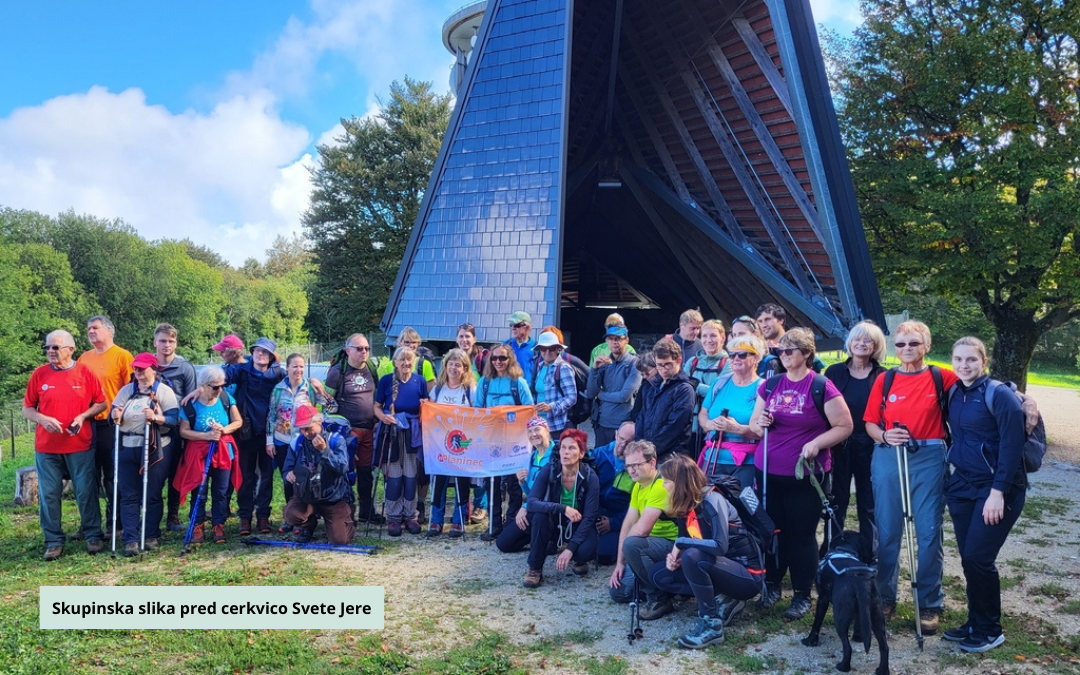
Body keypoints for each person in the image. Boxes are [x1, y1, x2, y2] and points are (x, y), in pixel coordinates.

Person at [749, 327, 853, 620]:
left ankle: (802, 593)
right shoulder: (770, 386)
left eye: (789, 351)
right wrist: (763, 422)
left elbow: (844, 426)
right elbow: (755, 425)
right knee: (771, 530)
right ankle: (771, 586)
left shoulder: (820, 386)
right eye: (780, 351)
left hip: (807, 475)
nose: (783, 356)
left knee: (801, 534)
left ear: (807, 353)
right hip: (768, 472)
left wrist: (817, 443)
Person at [862, 320, 955, 634]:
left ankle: (928, 602)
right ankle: (885, 596)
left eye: (913, 343)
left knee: (928, 530)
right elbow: (870, 423)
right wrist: (885, 436)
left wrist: (1024, 400)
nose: (906, 350)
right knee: (887, 529)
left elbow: (979, 388)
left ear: (926, 345)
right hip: (889, 454)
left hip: (928, 455)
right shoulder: (885, 380)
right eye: (900, 344)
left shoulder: (941, 376)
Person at [943, 337, 1027, 653]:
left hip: (997, 490)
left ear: (984, 361)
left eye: (971, 360)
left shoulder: (1000, 395)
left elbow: (1012, 446)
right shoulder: (953, 392)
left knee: (979, 557)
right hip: (962, 486)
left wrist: (998, 493)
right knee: (969, 559)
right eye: (959, 359)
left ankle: (991, 629)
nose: (964, 365)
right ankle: (975, 621)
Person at [649, 455, 764, 649]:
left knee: (692, 556)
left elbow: (720, 546)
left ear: (680, 483)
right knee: (658, 575)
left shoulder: (713, 499)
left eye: (666, 482)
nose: (663, 486)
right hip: (717, 566)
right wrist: (674, 559)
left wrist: (681, 545)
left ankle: (711, 625)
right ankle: (726, 599)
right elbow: (686, 540)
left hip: (747, 576)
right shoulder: (685, 503)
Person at [23, 330, 108, 560]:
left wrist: (82, 417)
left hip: (80, 445)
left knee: (85, 492)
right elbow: (27, 408)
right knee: (49, 494)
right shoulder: (39, 375)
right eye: (47, 348)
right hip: (47, 447)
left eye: (55, 347)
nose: (50, 352)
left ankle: (93, 535)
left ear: (70, 349)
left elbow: (101, 403)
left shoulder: (85, 373)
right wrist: (42, 418)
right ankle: (53, 541)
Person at [109, 352, 180, 555]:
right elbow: (112, 413)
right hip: (126, 446)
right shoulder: (126, 390)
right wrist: (114, 414)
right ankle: (131, 539)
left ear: (153, 369)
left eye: (142, 368)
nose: (138, 372)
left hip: (154, 447)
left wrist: (156, 417)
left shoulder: (164, 391)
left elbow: (174, 419)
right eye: (136, 368)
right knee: (129, 494)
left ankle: (150, 535)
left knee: (152, 493)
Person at [823, 321, 887, 542]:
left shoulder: (883, 375)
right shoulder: (834, 372)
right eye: (858, 339)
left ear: (876, 345)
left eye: (868, 340)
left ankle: (870, 552)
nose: (862, 343)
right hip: (839, 443)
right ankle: (832, 550)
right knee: (837, 499)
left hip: (872, 443)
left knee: (869, 501)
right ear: (850, 343)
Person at [512, 429, 600, 588]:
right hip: (553, 522)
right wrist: (563, 509)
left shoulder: (590, 477)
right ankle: (535, 567)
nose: (566, 452)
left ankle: (577, 558)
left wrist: (570, 550)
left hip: (577, 524)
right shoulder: (550, 469)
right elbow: (532, 502)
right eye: (563, 448)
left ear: (581, 454)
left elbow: (589, 517)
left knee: (585, 551)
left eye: (572, 448)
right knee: (539, 516)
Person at [608, 440, 679, 620]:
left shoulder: (660, 486)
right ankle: (664, 586)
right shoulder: (639, 485)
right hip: (650, 547)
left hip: (672, 546)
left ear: (652, 463)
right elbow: (628, 523)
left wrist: (627, 552)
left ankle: (659, 599)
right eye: (628, 465)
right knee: (619, 593)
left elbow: (641, 531)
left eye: (637, 465)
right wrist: (620, 563)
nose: (631, 470)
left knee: (632, 544)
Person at [76, 315, 133, 537]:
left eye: (95, 328)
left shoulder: (122, 356)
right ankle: (89, 523)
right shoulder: (84, 358)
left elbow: (131, 389)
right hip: (88, 422)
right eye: (88, 328)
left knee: (111, 474)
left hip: (112, 423)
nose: (91, 331)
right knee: (87, 474)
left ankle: (115, 522)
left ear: (109, 330)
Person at [474, 343, 535, 540]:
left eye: (502, 358)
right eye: (494, 358)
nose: (498, 362)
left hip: (514, 442)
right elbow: (477, 410)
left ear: (510, 360)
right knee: (492, 482)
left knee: (513, 484)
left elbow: (529, 410)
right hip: (491, 441)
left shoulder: (518, 382)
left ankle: (511, 525)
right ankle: (494, 524)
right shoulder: (484, 382)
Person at [176, 366, 243, 545]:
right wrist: (206, 436)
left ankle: (218, 524)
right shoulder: (191, 404)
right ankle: (197, 525)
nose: (219, 389)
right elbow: (184, 431)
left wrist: (223, 430)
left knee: (221, 491)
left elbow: (238, 421)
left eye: (222, 385)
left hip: (222, 451)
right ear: (203, 386)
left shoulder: (225, 398)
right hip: (199, 453)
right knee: (200, 491)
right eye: (215, 387)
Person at [323, 333, 385, 525]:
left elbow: (376, 398)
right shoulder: (337, 372)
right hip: (347, 433)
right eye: (359, 349)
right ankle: (347, 513)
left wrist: (377, 421)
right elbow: (326, 404)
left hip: (369, 430)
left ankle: (368, 512)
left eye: (366, 348)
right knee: (346, 474)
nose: (364, 352)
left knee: (366, 473)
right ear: (347, 350)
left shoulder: (371, 368)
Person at [697, 335, 766, 490]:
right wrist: (709, 424)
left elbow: (765, 432)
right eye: (732, 355)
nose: (735, 359)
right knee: (709, 509)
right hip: (713, 459)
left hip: (746, 463)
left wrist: (736, 429)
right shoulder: (719, 383)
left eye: (742, 355)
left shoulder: (763, 388)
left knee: (741, 511)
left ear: (756, 358)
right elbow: (703, 414)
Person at [374, 347, 429, 536]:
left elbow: (425, 406)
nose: (406, 363)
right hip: (392, 433)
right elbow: (376, 407)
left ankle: (410, 515)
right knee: (395, 476)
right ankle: (394, 516)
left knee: (411, 476)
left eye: (409, 360)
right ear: (395, 362)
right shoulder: (386, 381)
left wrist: (424, 406)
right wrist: (383, 418)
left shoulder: (419, 381)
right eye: (402, 360)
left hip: (412, 434)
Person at [283, 405, 356, 544]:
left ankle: (348, 515)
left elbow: (343, 468)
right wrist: (288, 474)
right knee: (291, 515)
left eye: (309, 428)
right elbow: (287, 468)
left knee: (340, 540)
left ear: (319, 422)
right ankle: (309, 526)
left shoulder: (336, 440)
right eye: (302, 429)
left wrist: (325, 451)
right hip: (306, 496)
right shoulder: (296, 442)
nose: (305, 433)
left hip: (333, 497)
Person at [428, 349, 478, 537]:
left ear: (465, 368)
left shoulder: (470, 388)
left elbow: (477, 413)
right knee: (439, 482)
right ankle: (436, 520)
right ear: (445, 365)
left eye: (458, 364)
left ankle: (459, 520)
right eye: (451, 363)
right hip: (440, 444)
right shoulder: (439, 388)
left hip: (462, 444)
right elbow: (429, 411)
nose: (454, 367)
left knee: (461, 481)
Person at [153, 323, 197, 533]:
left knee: (175, 473)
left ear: (176, 343)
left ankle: (173, 516)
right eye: (162, 341)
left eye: (171, 341)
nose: (166, 345)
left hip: (177, 428)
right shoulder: (147, 365)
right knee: (154, 473)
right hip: (152, 427)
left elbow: (191, 400)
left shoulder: (184, 367)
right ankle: (152, 517)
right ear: (155, 342)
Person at [266, 354, 321, 514]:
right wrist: (269, 441)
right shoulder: (278, 389)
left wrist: (322, 390)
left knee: (305, 475)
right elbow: (271, 415)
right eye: (295, 366)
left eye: (302, 366)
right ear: (287, 368)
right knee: (288, 478)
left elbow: (331, 406)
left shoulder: (309, 388)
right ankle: (291, 513)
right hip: (282, 440)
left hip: (303, 440)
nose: (299, 370)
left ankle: (309, 512)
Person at [495, 416, 556, 551]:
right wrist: (522, 482)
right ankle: (537, 538)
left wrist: (525, 507)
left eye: (537, 429)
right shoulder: (531, 458)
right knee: (504, 544)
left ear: (547, 430)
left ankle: (552, 537)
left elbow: (551, 491)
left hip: (552, 510)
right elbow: (531, 492)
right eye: (529, 431)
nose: (533, 434)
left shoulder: (557, 454)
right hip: (534, 508)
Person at [633, 338, 695, 463]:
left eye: (668, 364)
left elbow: (674, 427)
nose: (663, 369)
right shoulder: (651, 386)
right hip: (649, 454)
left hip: (672, 457)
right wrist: (640, 446)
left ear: (678, 361)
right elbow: (641, 418)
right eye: (659, 365)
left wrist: (650, 451)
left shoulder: (684, 389)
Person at [586, 325, 641, 447]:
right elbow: (590, 393)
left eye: (618, 338)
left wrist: (601, 395)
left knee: (622, 464)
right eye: (610, 339)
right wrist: (594, 369)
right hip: (601, 424)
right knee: (601, 463)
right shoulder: (604, 364)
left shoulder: (634, 364)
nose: (614, 342)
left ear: (626, 340)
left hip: (623, 426)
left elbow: (623, 396)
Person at [592, 420, 636, 564]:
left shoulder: (637, 467)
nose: (623, 445)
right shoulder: (598, 454)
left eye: (628, 442)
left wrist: (613, 523)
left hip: (618, 517)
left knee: (603, 557)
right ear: (616, 434)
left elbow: (636, 505)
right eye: (621, 439)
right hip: (596, 512)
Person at [684, 319, 729, 438]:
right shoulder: (692, 362)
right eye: (704, 336)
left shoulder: (728, 364)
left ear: (722, 338)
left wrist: (693, 385)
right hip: (689, 428)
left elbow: (720, 392)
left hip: (713, 429)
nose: (709, 340)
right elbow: (682, 388)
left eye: (713, 335)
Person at [754, 304, 825, 374]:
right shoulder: (758, 349)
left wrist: (783, 350)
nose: (764, 325)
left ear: (781, 320)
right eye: (760, 321)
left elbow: (815, 364)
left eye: (767, 319)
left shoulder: (797, 341)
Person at [530, 332, 577, 435]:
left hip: (555, 426)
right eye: (543, 348)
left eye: (551, 348)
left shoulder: (564, 367)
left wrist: (551, 407)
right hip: (539, 424)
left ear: (558, 349)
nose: (547, 351)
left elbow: (572, 397)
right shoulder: (540, 366)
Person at [505, 311, 537, 384]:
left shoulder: (537, 348)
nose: (513, 328)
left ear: (527, 327)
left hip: (528, 392)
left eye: (517, 325)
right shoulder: (506, 345)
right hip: (508, 390)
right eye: (511, 325)